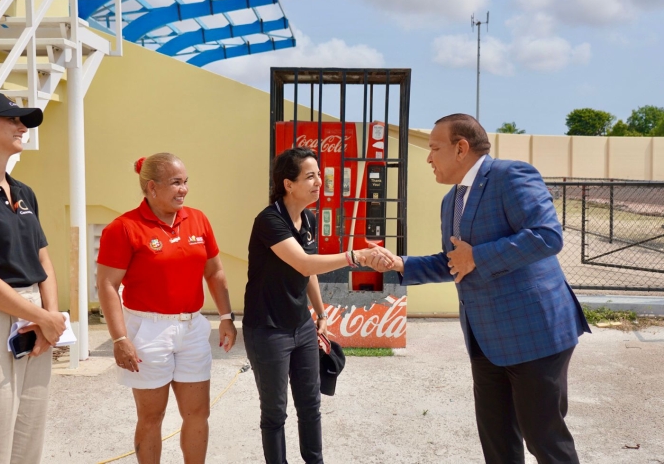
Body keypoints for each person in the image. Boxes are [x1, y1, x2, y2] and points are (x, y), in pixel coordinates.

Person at [365, 114, 590, 464]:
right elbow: (456, 262)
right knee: (498, 443)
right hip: (485, 338)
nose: (428, 158)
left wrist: (478, 256)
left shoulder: (510, 176)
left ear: (461, 148)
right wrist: (399, 264)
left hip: (535, 333)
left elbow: (547, 236)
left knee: (545, 442)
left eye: (434, 149)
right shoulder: (450, 201)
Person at [243, 147, 383, 464]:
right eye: (310, 176)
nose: (319, 181)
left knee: (310, 405)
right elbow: (305, 263)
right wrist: (356, 256)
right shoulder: (269, 221)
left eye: (319, 174)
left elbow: (308, 273)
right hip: (268, 331)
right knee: (275, 411)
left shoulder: (309, 218)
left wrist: (320, 314)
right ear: (288, 184)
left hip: (302, 326)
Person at [97, 152, 237, 464]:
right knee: (152, 417)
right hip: (147, 330)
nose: (183, 189)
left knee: (198, 413)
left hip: (192, 328)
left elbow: (214, 271)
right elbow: (106, 285)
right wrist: (120, 339)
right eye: (176, 183)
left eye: (185, 182)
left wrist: (226, 317)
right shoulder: (123, 228)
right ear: (151, 187)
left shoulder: (198, 219)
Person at [0, 91, 67, 464]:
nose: (22, 126)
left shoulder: (24, 191)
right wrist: (44, 319)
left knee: (28, 438)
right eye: (12, 119)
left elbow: (44, 261)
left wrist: (50, 317)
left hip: (34, 319)